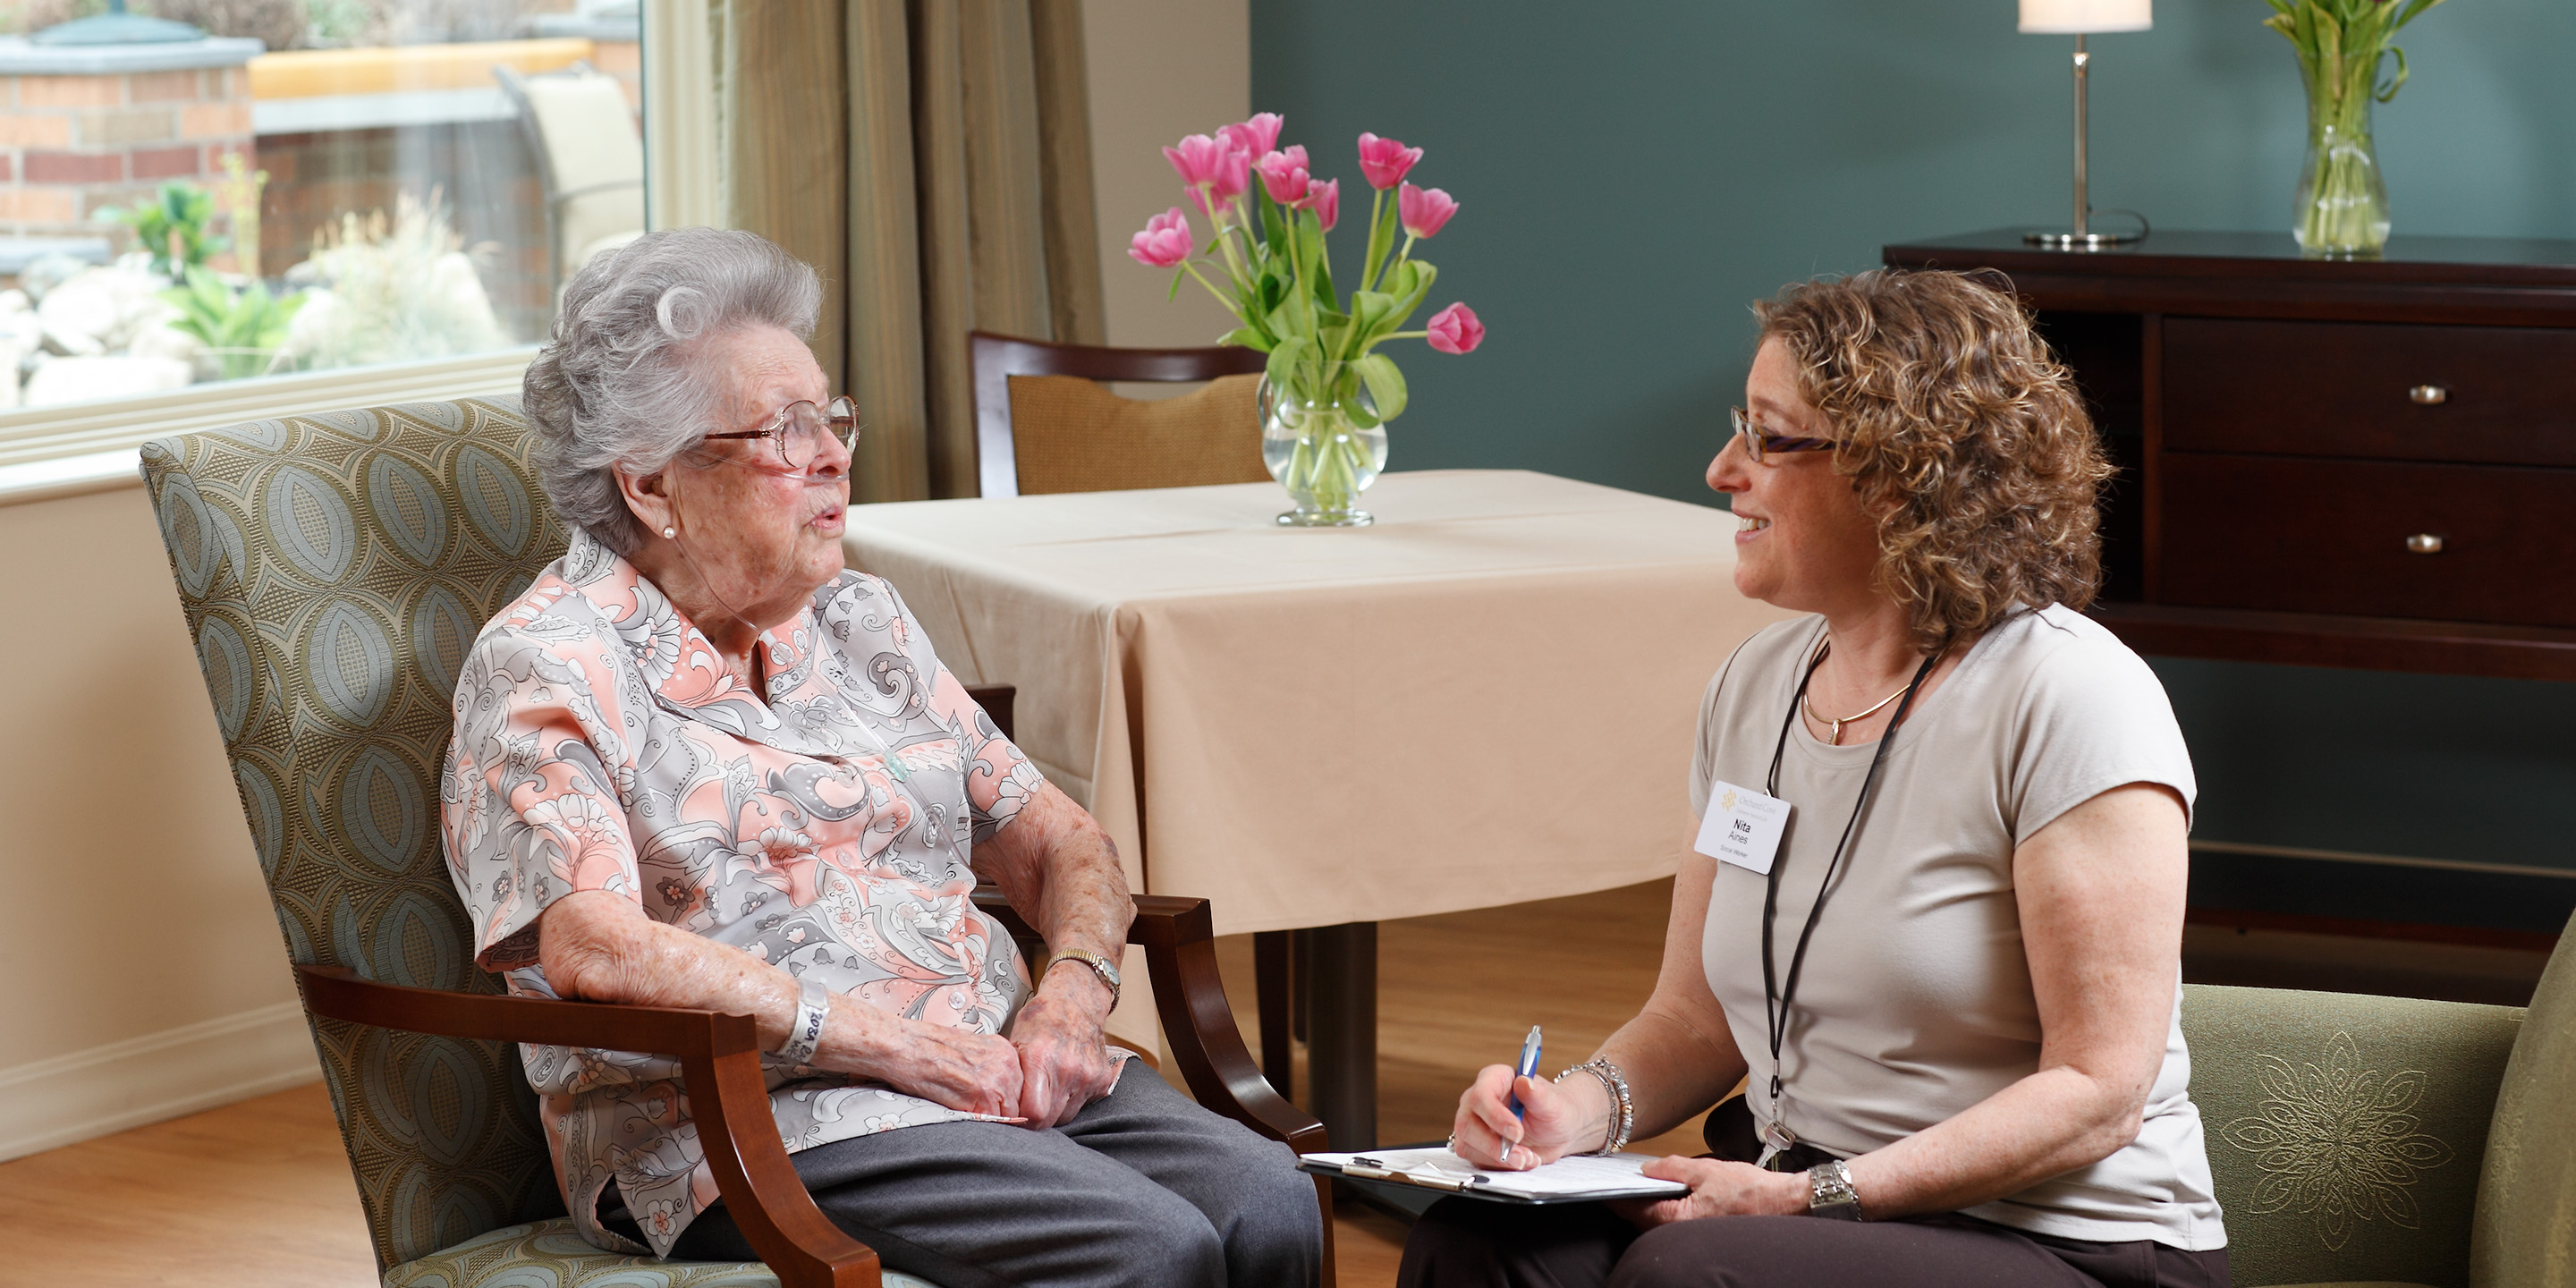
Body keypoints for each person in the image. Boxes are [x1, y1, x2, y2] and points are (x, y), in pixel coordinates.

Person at [442, 226, 1320, 1288]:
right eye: (783, 430)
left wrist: (1072, 1000)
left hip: (990, 1058)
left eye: (832, 416)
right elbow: (596, 951)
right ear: (650, 485)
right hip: (757, 1123)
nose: (833, 455)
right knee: (1152, 1246)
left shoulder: (860, 619)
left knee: (1272, 1199)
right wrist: (901, 1048)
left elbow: (1061, 840)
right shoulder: (550, 662)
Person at [1402, 269, 2229, 1288]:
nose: (1719, 471)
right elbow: (1696, 1021)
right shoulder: (1754, 688)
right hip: (1792, 1198)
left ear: (1898, 472)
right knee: (1476, 1242)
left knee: (1692, 1277)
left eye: (1767, 438)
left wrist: (1810, 1196)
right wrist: (1566, 1114)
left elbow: (2100, 1090)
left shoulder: (2072, 695)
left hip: (2059, 1240)